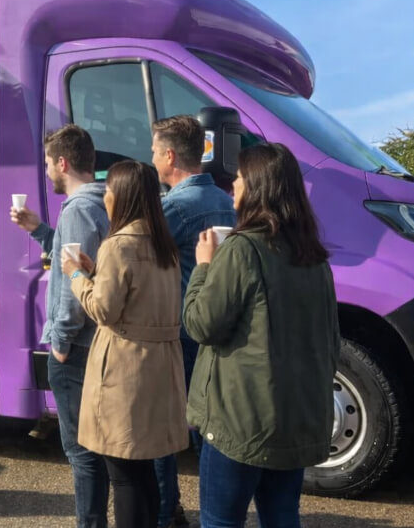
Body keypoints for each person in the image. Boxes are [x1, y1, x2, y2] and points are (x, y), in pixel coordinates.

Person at [183, 143, 340, 528]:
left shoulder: (242, 249)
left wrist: (203, 268)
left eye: (239, 178)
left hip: (242, 418)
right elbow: (330, 338)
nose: (233, 185)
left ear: (256, 186)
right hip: (295, 416)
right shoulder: (313, 256)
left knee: (220, 521)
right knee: (282, 515)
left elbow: (201, 324)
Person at [62, 160, 188, 528]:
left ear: (122, 197)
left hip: (125, 368)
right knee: (143, 467)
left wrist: (75, 275)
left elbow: (104, 309)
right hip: (160, 365)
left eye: (109, 191)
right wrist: (94, 272)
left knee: (122, 472)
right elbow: (139, 297)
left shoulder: (118, 245)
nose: (106, 197)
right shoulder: (163, 244)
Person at [10, 124, 110, 528]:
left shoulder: (79, 209)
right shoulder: (102, 202)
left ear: (63, 163)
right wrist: (38, 230)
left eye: (49, 162)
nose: (48, 170)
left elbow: (73, 283)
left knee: (82, 451)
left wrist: (61, 342)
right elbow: (77, 259)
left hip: (77, 347)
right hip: (95, 342)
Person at [150, 115, 236, 528]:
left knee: (162, 429)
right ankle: (217, 512)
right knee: (210, 429)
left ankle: (166, 512)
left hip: (182, 330)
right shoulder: (225, 198)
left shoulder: (175, 207)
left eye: (154, 151)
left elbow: (134, 254)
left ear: (170, 155)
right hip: (218, 326)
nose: (152, 158)